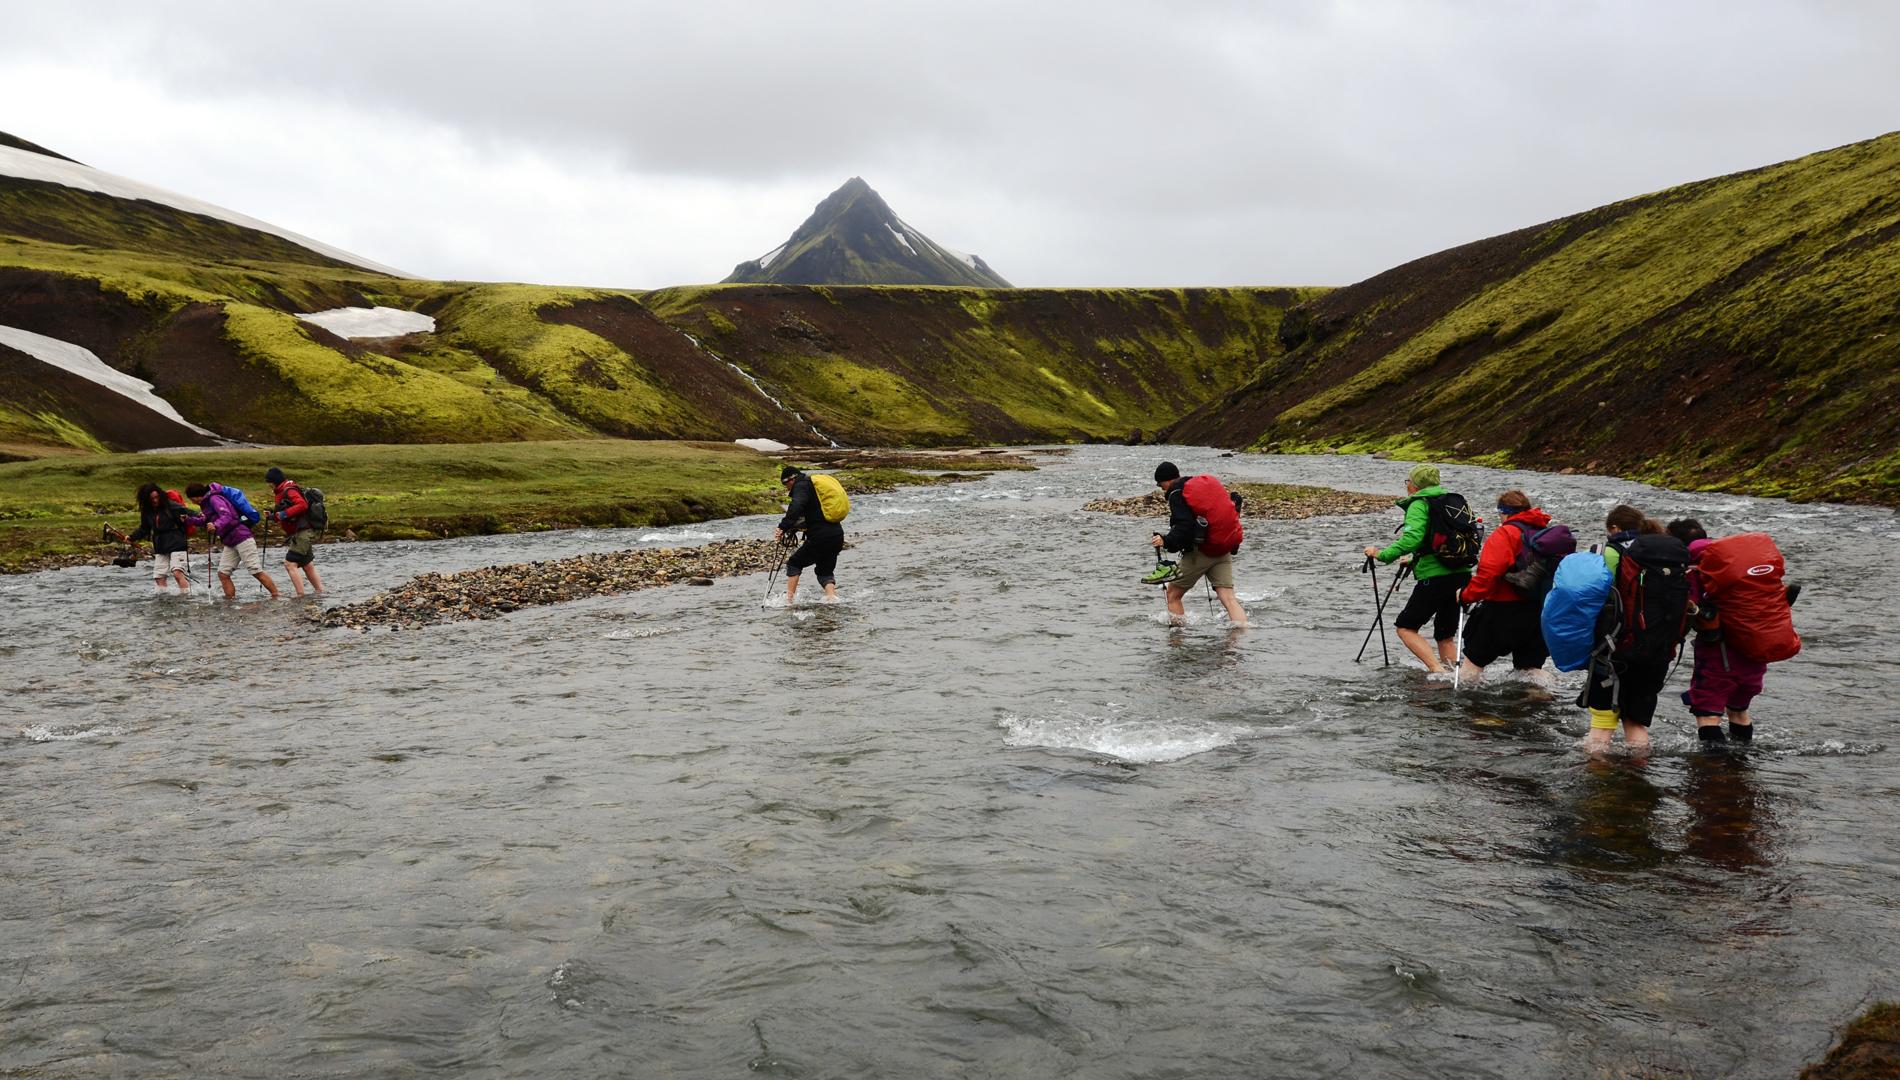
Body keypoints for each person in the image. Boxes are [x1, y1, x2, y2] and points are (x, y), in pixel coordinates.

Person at [1670, 517, 1798, 747]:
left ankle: (1715, 773)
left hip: (1720, 652)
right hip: (1757, 646)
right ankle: (1741, 764)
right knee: (1739, 710)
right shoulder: (1735, 562)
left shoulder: (1697, 568)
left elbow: (1690, 607)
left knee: (1708, 712)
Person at [1580, 504, 1680, 754]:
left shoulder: (1607, 553)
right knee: (1635, 722)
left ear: (1614, 528)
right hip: (1658, 650)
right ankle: (1637, 777)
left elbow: (1588, 598)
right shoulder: (1665, 556)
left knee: (1602, 723)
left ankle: (1597, 777)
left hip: (1615, 648)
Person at [1361, 465, 1470, 673]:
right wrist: (1413, 559)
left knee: (1405, 627)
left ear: (1416, 484)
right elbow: (1438, 540)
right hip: (1461, 574)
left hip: (1435, 577)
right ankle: (1456, 676)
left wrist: (1382, 555)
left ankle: (1436, 671)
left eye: (1408, 481)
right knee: (1445, 636)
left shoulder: (1420, 504)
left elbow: (1412, 538)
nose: (1407, 485)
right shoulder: (1450, 502)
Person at [1455, 489, 1554, 689]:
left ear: (1504, 512)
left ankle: (1464, 708)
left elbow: (1488, 575)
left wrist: (1465, 595)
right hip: (1539, 611)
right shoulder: (1545, 533)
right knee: (1531, 668)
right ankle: (1542, 703)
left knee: (1473, 663)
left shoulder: (1505, 533)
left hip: (1502, 610)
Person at [1150, 462, 1247, 626]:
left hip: (1200, 553)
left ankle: (1177, 642)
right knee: (1229, 599)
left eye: (1160, 485)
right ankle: (1241, 639)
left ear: (1166, 480)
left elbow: (1184, 526)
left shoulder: (1177, 493)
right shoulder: (1199, 487)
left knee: (1173, 594)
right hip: (1223, 549)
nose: (1162, 489)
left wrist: (1166, 540)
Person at [185, 482, 280, 600]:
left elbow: (227, 515)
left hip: (242, 537)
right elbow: (205, 521)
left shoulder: (214, 499)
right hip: (230, 541)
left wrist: (216, 525)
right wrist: (189, 520)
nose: (192, 502)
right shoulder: (206, 503)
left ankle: (276, 596)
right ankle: (230, 602)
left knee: (255, 570)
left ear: (195, 496)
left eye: (191, 499)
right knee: (223, 574)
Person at [774, 465, 842, 604]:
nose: (786, 488)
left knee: (794, 563)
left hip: (820, 537)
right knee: (824, 571)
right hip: (837, 535)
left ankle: (789, 602)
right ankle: (833, 600)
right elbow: (813, 515)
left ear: (791, 479)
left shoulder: (801, 485)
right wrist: (794, 528)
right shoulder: (813, 488)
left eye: (785, 484)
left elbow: (797, 505)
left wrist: (783, 527)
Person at [109, 483, 192, 593]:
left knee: (177, 573)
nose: (155, 500)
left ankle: (186, 598)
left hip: (177, 542)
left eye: (157, 497)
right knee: (159, 576)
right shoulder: (147, 511)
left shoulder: (170, 505)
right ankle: (163, 600)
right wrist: (132, 537)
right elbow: (144, 529)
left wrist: (205, 519)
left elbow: (190, 512)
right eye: (152, 498)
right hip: (160, 546)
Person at [263, 467, 324, 597]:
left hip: (303, 532)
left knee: (290, 564)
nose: (269, 485)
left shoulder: (288, 490)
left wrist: (283, 514)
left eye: (269, 482)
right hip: (300, 531)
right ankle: (320, 592)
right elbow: (286, 511)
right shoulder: (283, 490)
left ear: (274, 481)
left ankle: (300, 596)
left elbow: (302, 505)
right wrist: (273, 515)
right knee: (307, 565)